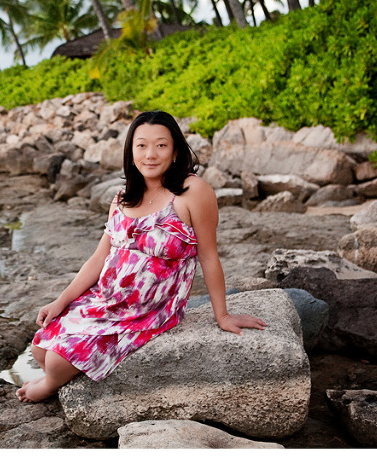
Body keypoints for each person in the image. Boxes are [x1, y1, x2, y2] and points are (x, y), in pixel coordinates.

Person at [17, 111, 268, 403]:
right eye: (142, 145)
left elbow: (209, 257)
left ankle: (49, 384)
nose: (150, 154)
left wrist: (222, 316)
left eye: (161, 145)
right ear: (131, 151)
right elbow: (99, 258)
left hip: (147, 312)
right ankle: (51, 374)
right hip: (106, 302)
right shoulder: (123, 198)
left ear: (175, 151)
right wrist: (60, 301)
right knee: (39, 347)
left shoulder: (192, 192)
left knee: (57, 363)